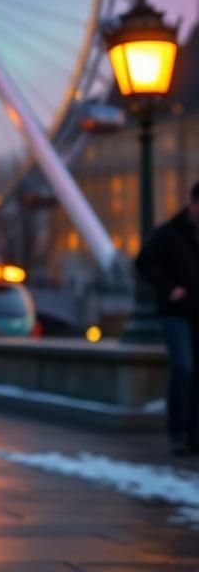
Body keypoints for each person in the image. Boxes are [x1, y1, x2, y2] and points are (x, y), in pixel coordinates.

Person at [134, 179, 199, 456]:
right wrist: (169, 289)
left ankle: (194, 435)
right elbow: (143, 262)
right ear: (193, 204)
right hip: (175, 312)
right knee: (183, 366)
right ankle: (177, 432)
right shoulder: (169, 233)